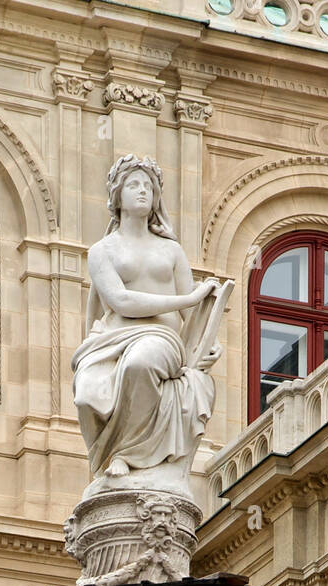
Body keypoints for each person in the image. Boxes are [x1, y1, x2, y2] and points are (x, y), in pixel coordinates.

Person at [73, 154, 220, 498]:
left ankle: (128, 454)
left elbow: (194, 313)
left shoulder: (171, 250)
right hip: (111, 339)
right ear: (116, 195)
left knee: (141, 363)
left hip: (163, 339)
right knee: (85, 396)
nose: (142, 191)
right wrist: (187, 300)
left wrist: (207, 342)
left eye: (148, 186)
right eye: (133, 184)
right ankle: (108, 455)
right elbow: (121, 302)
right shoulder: (102, 251)